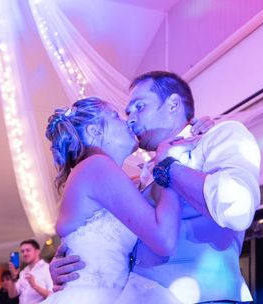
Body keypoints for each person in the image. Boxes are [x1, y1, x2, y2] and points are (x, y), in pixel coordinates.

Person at [51, 71, 261, 303]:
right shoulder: (138, 173)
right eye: (125, 113)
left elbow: (238, 209)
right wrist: (75, 262)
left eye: (139, 107)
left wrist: (170, 166)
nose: (130, 119)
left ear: (172, 104)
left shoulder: (219, 136)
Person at [36, 97, 183, 303]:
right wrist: (169, 164)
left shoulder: (99, 176)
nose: (128, 121)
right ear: (94, 131)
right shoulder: (96, 167)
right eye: (115, 116)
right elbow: (164, 240)